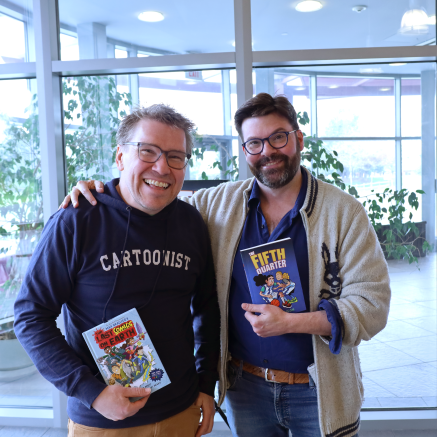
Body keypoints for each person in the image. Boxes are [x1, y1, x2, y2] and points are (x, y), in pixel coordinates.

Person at [63, 93, 391, 437]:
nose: (268, 151)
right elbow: (154, 193)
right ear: (245, 150)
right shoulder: (215, 205)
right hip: (245, 390)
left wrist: (294, 323)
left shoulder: (344, 213)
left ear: (298, 139)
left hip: (319, 391)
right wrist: (100, 195)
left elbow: (373, 306)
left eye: (278, 137)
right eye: (254, 143)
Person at [14, 104, 220, 437]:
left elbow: (207, 310)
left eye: (175, 157)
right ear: (121, 157)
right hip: (104, 420)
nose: (162, 167)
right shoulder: (77, 220)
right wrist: (91, 393)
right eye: (148, 151)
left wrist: (206, 384)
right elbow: (30, 316)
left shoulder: (192, 223)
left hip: (181, 411)